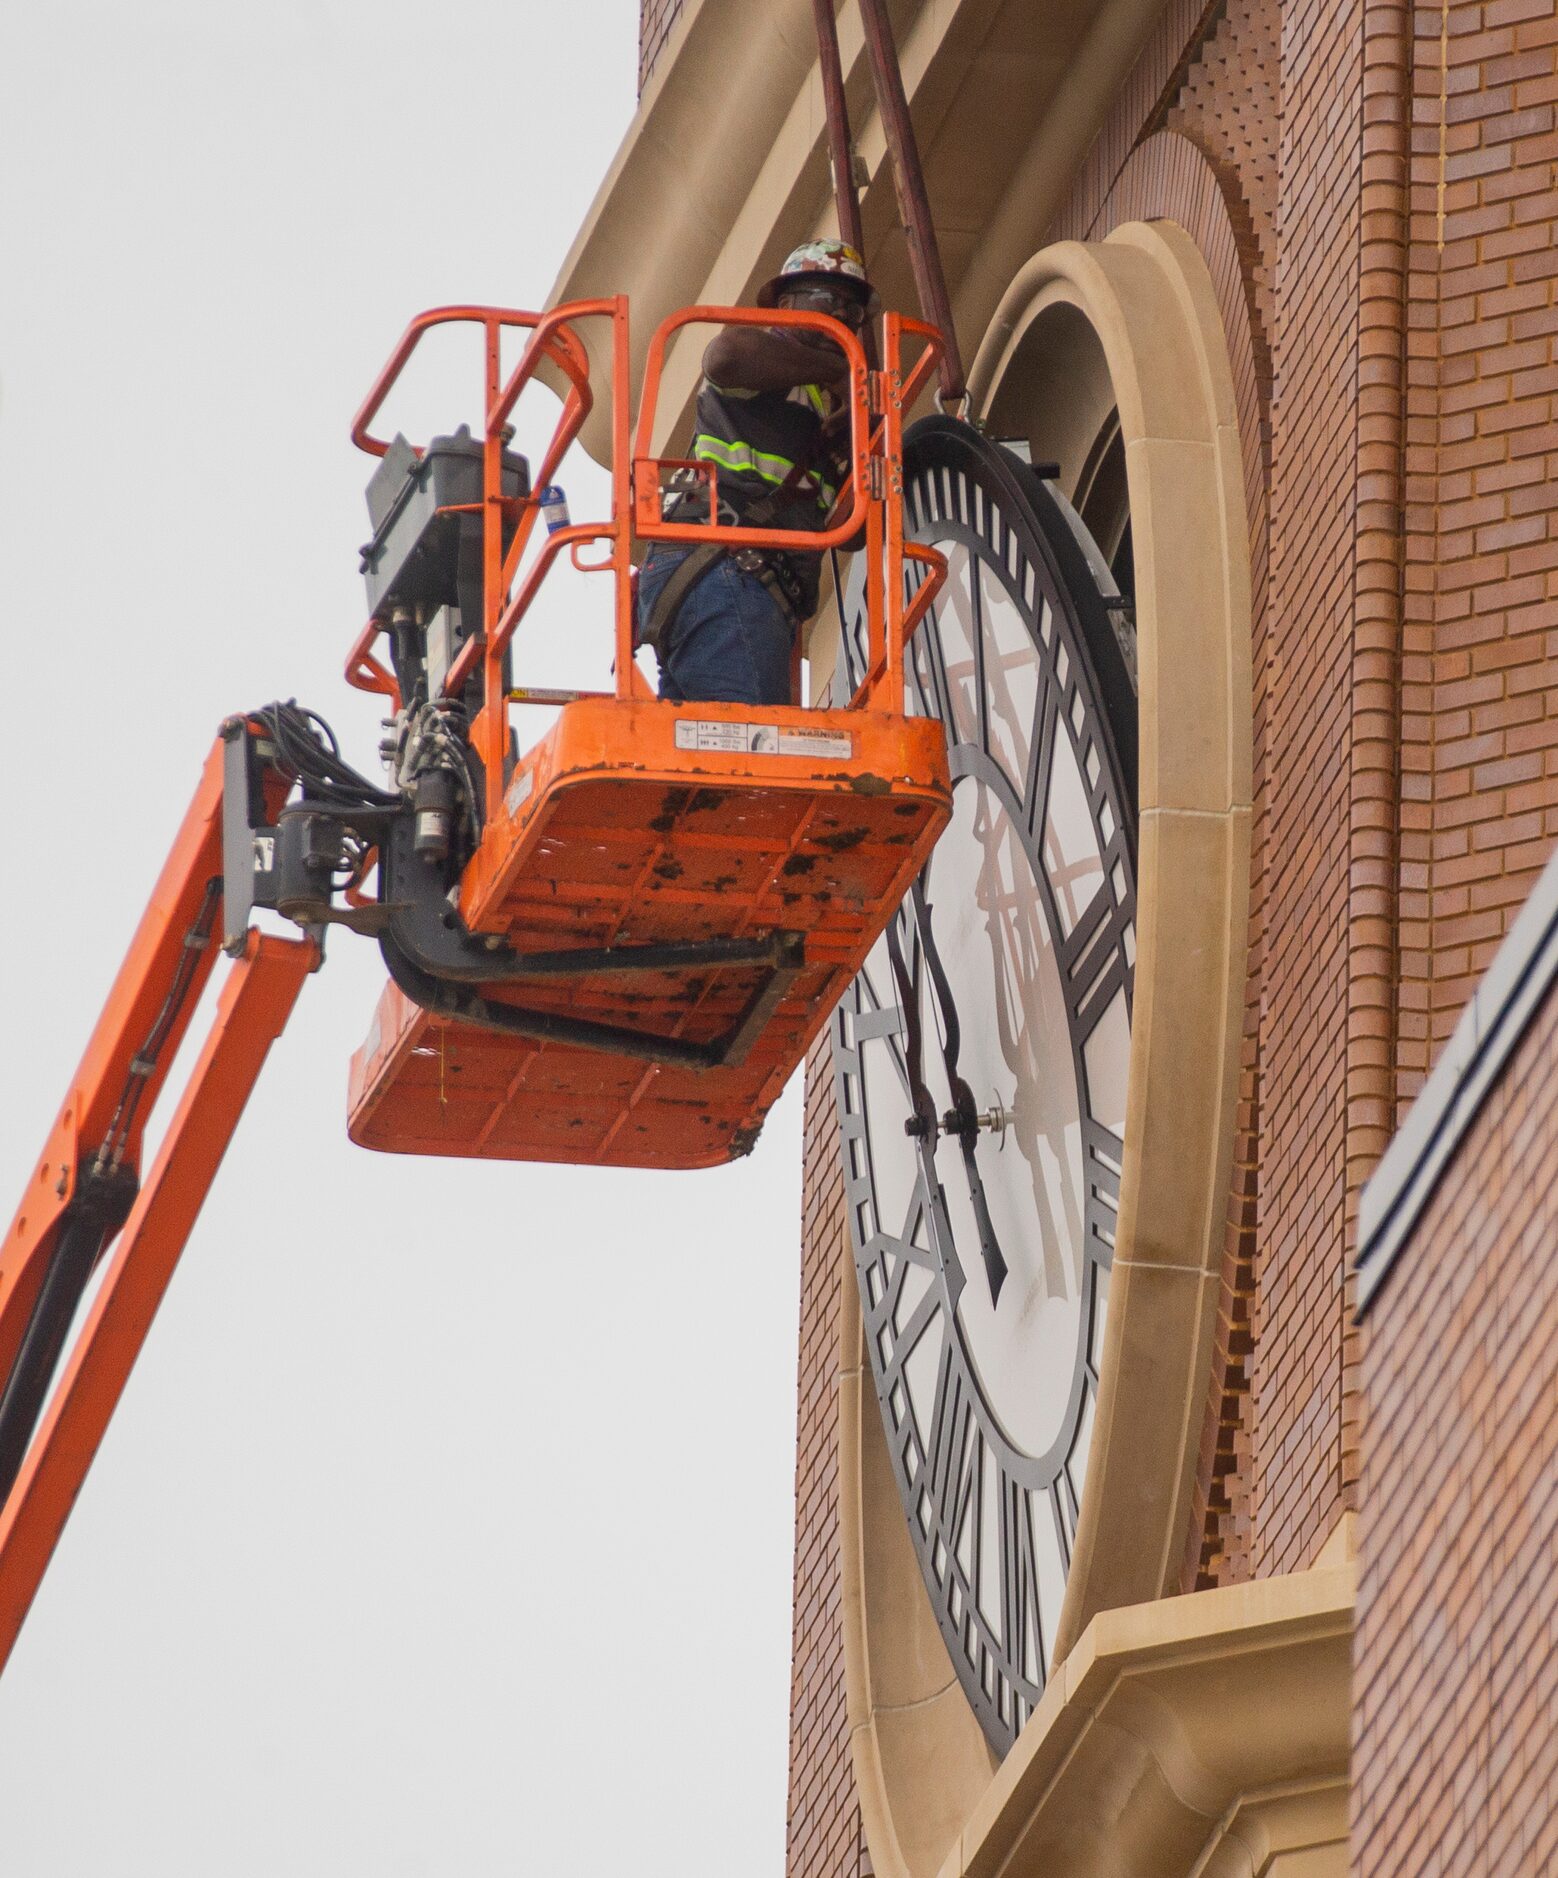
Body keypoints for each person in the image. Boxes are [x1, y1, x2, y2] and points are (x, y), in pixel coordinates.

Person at [636, 238, 877, 707]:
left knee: (706, 769)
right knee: (752, 758)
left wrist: (866, 440)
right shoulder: (766, 363)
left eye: (854, 312)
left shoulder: (820, 410)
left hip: (729, 583)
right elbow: (724, 357)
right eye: (830, 301)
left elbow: (853, 535)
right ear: (786, 306)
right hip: (724, 570)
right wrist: (841, 373)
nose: (844, 319)